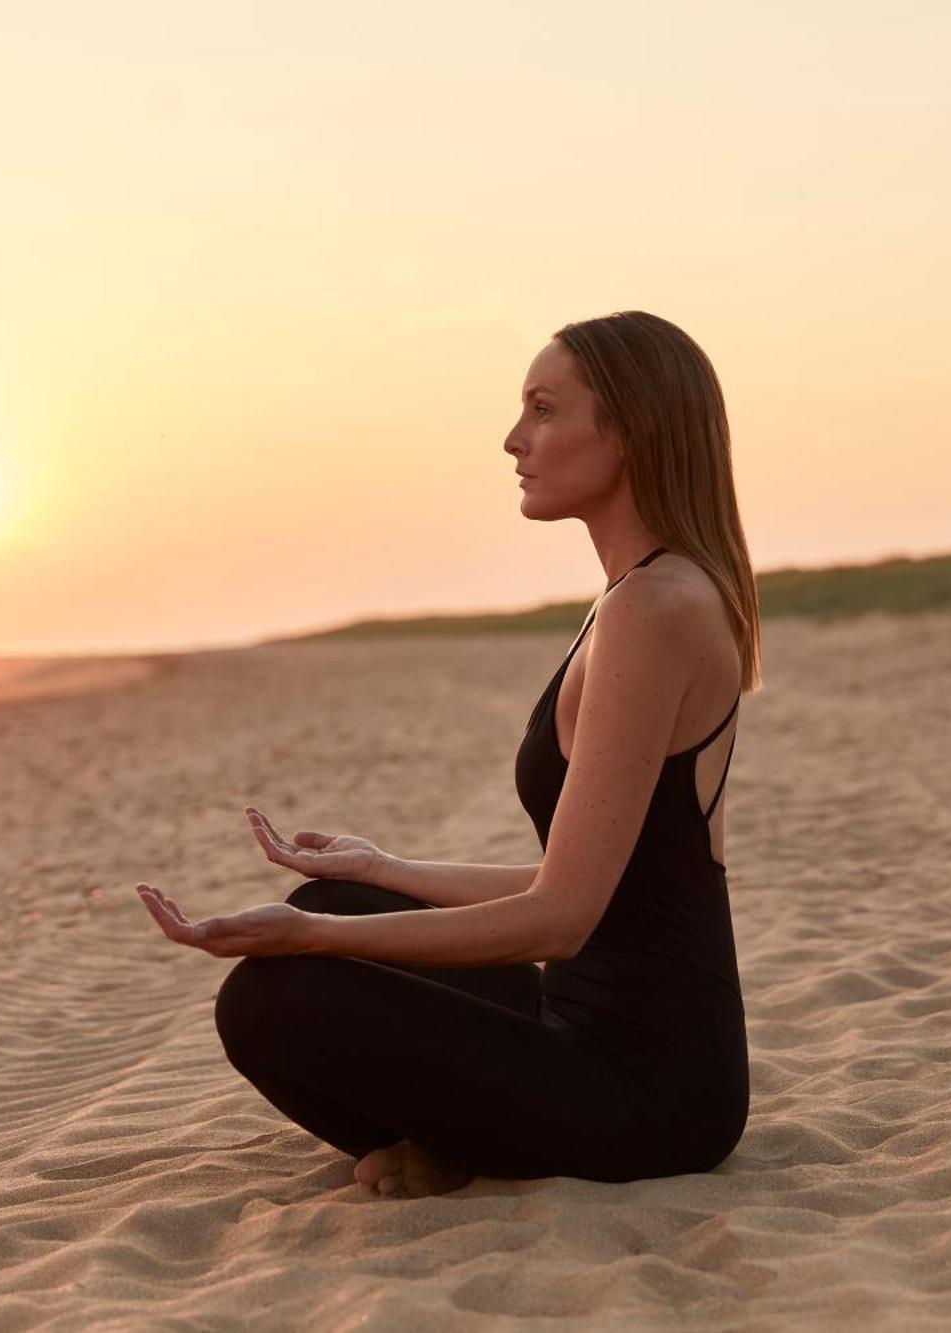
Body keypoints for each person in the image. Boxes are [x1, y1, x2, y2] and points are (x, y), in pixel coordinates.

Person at [136, 310, 762, 1197]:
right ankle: (456, 1135)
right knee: (338, 894)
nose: (514, 440)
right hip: (577, 1019)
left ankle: (457, 1142)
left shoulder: (655, 610)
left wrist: (316, 939)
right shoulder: (636, 594)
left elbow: (561, 919)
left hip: (652, 1090)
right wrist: (386, 870)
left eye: (544, 410)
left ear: (629, 429)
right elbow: (596, 881)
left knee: (271, 996)